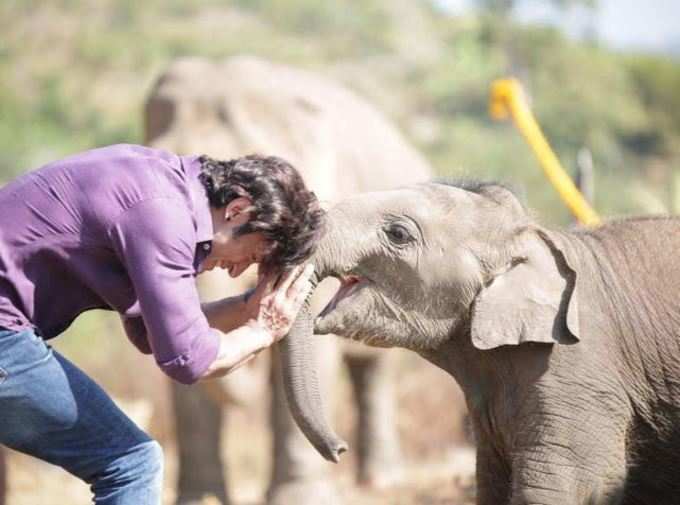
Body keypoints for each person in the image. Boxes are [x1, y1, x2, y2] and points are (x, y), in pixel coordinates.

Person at [0, 144, 324, 504]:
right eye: (251, 255)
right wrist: (262, 331)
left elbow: (149, 335)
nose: (236, 270)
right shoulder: (163, 217)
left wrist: (250, 307)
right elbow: (189, 360)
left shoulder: (165, 184)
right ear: (237, 210)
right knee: (132, 463)